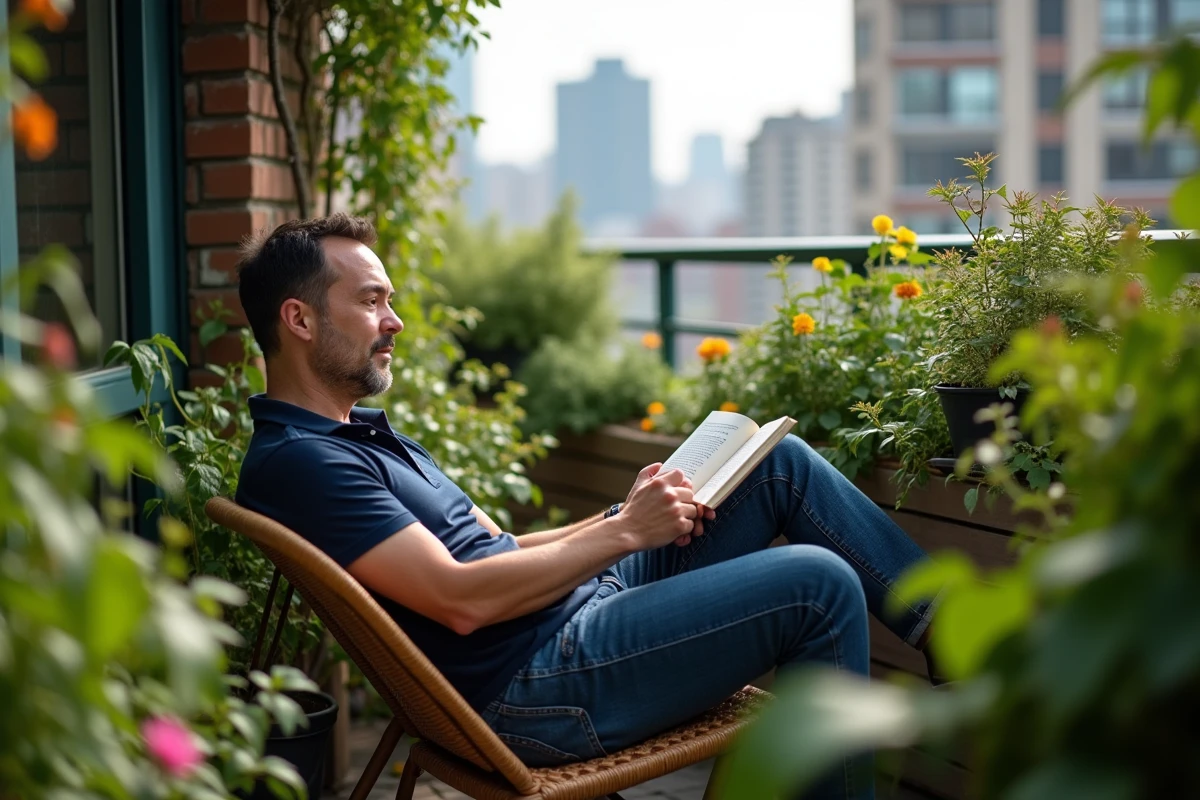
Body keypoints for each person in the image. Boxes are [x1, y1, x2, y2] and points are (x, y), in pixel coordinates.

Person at [235, 215, 939, 800]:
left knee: (774, 464)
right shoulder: (305, 462)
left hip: (578, 619)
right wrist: (629, 532)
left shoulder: (356, 435)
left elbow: (502, 545)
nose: (393, 322)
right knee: (816, 585)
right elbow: (460, 601)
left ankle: (945, 631)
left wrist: (623, 516)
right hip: (540, 684)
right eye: (370, 302)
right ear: (298, 319)